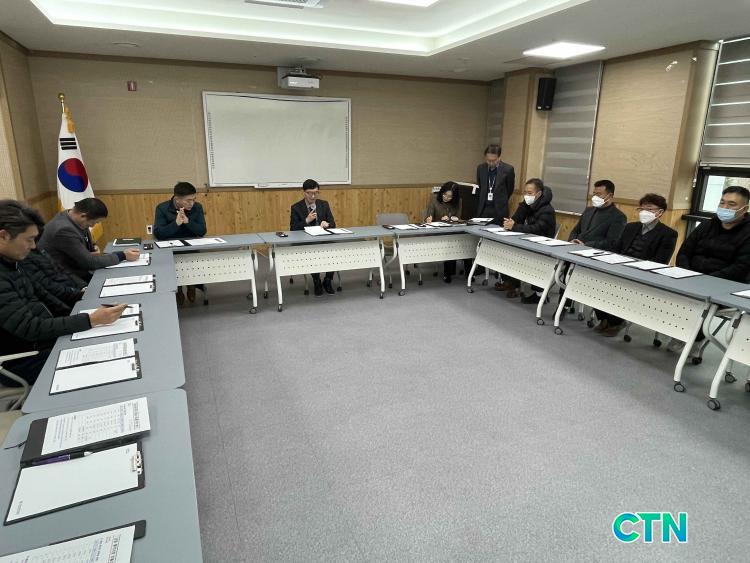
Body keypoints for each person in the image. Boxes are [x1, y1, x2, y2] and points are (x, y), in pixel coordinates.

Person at [0, 200, 126, 386]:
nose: (33, 246)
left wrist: (88, 302)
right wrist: (89, 319)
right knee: (107, 366)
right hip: (22, 359)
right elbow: (31, 328)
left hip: (46, 342)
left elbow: (46, 297)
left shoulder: (13, 263)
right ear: (3, 236)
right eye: (28, 239)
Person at [670, 185, 750, 355]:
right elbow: (685, 251)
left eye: (731, 204)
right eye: (722, 202)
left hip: (725, 285)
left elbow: (741, 267)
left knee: (698, 302)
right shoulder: (708, 224)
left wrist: (705, 281)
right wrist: (687, 274)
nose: (724, 207)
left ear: (744, 209)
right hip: (692, 278)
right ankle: (678, 331)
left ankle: (695, 338)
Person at [593, 193, 678, 336]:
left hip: (642, 274)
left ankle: (616, 322)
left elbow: (660, 261)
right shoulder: (630, 227)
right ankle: (604, 318)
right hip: (620, 267)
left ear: (660, 212)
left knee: (619, 287)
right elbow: (616, 248)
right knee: (596, 281)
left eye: (649, 209)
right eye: (642, 208)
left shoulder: (668, 234)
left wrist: (634, 267)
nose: (644, 212)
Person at [39, 197, 139, 282]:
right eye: (93, 222)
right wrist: (122, 255)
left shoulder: (73, 218)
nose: (92, 226)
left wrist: (93, 246)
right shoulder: (64, 230)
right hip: (67, 278)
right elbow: (90, 262)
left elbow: (82, 239)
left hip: (78, 270)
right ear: (83, 216)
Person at [495, 179, 555, 302]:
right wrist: (510, 222)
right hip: (527, 241)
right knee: (506, 249)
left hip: (542, 246)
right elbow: (516, 219)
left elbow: (537, 229)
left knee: (519, 256)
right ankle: (511, 283)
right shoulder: (527, 204)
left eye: (530, 193)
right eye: (525, 192)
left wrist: (515, 227)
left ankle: (539, 294)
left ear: (538, 194)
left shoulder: (547, 210)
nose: (527, 196)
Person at [154, 181, 207, 305]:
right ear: (177, 199)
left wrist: (188, 222)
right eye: (188, 200)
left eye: (193, 199)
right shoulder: (162, 208)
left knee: (193, 261)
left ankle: (191, 286)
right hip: (171, 249)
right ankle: (178, 290)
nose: (192, 203)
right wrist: (176, 224)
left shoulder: (197, 207)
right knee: (173, 267)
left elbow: (202, 231)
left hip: (191, 248)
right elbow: (158, 233)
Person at [290, 179, 337, 296]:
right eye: (310, 193)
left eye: (316, 193)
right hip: (307, 242)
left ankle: (328, 280)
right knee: (312, 251)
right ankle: (316, 281)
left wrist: (327, 224)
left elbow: (333, 224)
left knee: (334, 249)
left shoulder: (324, 204)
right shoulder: (296, 207)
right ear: (304, 192)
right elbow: (293, 229)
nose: (313, 196)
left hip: (323, 239)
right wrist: (306, 220)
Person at [569, 180, 627, 249]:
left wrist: (586, 245)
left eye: (599, 194)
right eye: (594, 194)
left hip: (594, 251)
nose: (595, 197)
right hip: (574, 247)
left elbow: (611, 242)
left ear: (610, 195)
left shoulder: (618, 216)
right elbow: (575, 230)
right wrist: (572, 240)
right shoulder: (588, 210)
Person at [425, 181, 461, 283]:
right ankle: (448, 273)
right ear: (442, 192)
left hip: (453, 231)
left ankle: (468, 274)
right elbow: (428, 216)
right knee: (450, 242)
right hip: (438, 232)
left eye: (450, 196)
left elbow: (458, 217)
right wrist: (429, 219)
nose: (446, 198)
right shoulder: (434, 199)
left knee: (462, 240)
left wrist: (451, 218)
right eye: (445, 194)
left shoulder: (458, 201)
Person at [475, 144, 515, 225]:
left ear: (499, 157)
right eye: (488, 160)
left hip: (499, 210)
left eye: (493, 160)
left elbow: (509, 189)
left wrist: (501, 199)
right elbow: (480, 186)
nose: (490, 163)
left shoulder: (508, 169)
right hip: (484, 209)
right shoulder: (481, 168)